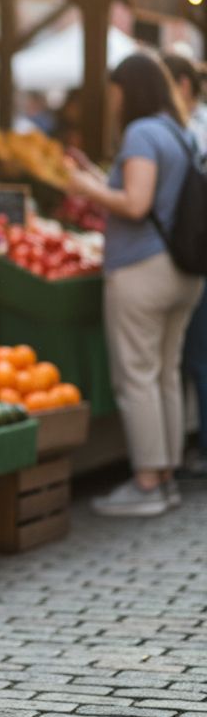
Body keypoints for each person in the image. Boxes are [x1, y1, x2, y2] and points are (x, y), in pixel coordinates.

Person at [67, 52, 204, 516]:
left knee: (137, 377)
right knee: (164, 373)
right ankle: (163, 476)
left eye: (116, 90)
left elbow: (135, 202)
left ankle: (148, 482)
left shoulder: (143, 133)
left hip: (144, 269)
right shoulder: (179, 132)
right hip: (183, 272)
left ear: (131, 89)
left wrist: (83, 187)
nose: (113, 100)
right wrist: (94, 175)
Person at [164, 52, 207, 477]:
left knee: (194, 360)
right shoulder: (185, 131)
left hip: (186, 256)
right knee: (183, 362)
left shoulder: (189, 129)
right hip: (192, 254)